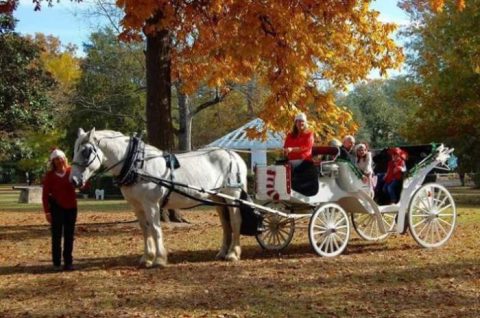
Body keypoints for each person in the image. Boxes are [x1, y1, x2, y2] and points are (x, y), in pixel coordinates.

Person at [42, 148, 78, 271]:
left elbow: (83, 184)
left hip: (71, 207)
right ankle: (56, 262)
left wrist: (83, 182)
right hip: (56, 208)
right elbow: (45, 195)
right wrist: (47, 211)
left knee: (69, 235)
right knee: (56, 236)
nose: (59, 161)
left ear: (64, 159)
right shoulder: (50, 176)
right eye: (56, 159)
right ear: (53, 162)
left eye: (60, 158)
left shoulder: (71, 171)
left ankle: (68, 262)